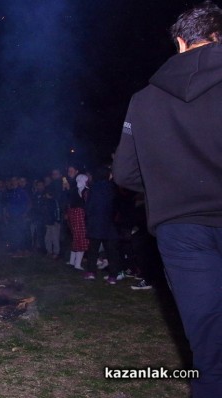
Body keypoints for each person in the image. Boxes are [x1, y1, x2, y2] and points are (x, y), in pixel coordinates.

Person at [112, 3, 222, 395]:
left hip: (182, 231)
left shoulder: (144, 100)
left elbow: (124, 174)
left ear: (179, 41)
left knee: (210, 353)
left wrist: (169, 184)